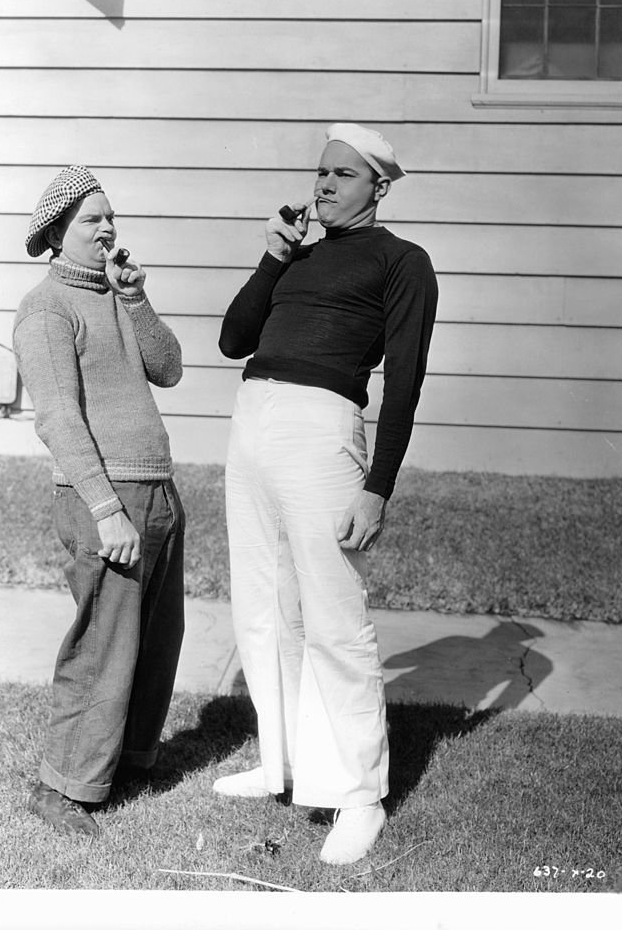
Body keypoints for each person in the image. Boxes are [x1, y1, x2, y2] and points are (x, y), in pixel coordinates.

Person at [215, 123, 438, 864]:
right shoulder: (297, 256)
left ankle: (356, 794)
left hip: (322, 430)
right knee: (263, 601)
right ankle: (280, 761)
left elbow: (403, 382)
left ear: (377, 186)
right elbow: (232, 339)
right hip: (253, 421)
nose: (324, 185)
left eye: (343, 175)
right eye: (320, 172)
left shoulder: (403, 261)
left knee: (332, 616)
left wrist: (378, 488)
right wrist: (273, 256)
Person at [13, 165, 185, 837]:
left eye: (111, 216)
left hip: (156, 489)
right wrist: (106, 509)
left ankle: (127, 762)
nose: (108, 227)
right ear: (57, 233)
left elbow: (168, 368)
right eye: (91, 219)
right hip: (103, 499)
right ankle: (62, 786)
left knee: (154, 639)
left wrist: (137, 298)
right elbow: (57, 418)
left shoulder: (117, 294)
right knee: (102, 645)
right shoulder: (45, 308)